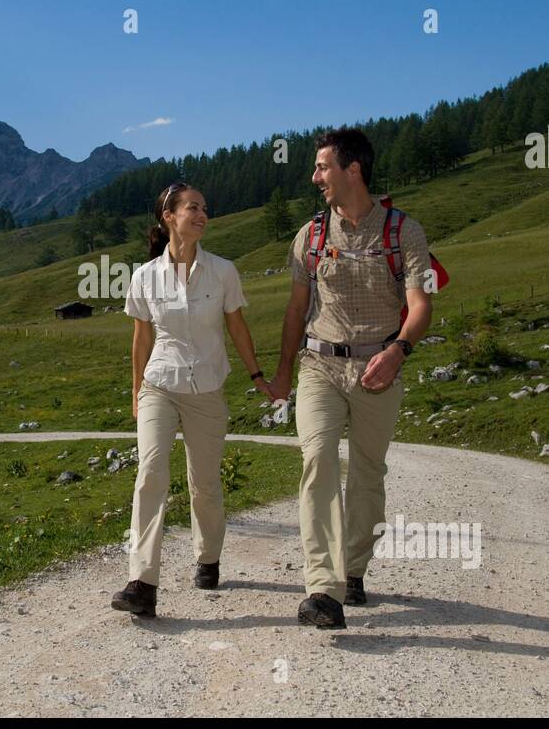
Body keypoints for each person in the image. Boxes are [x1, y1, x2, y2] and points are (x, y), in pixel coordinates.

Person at [269, 128, 433, 629]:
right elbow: (296, 311)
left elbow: (422, 304)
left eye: (322, 167)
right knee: (317, 460)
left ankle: (353, 567)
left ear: (352, 170)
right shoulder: (310, 236)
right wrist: (281, 374)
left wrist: (399, 351)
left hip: (378, 369)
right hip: (319, 364)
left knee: (367, 473)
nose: (315, 176)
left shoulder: (404, 232)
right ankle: (322, 587)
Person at [112, 181, 270, 619]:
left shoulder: (223, 271)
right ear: (169, 217)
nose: (202, 214)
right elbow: (141, 339)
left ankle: (208, 556)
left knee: (205, 484)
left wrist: (256, 373)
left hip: (206, 391)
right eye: (193, 208)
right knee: (150, 473)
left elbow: (237, 327)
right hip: (158, 385)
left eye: (205, 208)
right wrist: (136, 392)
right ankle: (142, 582)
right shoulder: (145, 276)